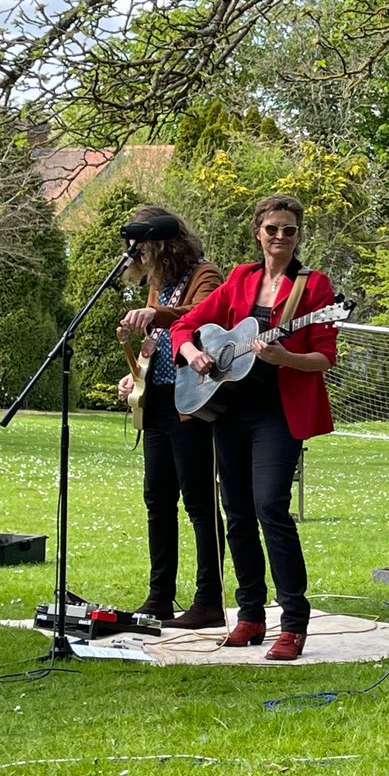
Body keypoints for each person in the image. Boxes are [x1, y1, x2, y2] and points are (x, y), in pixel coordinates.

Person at [171, 195, 338, 661]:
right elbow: (185, 326)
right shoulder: (240, 278)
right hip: (229, 411)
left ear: (298, 236)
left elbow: (325, 355)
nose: (280, 238)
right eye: (272, 230)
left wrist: (285, 357)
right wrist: (193, 354)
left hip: (280, 414)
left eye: (289, 230)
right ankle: (249, 615)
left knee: (271, 507)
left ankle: (294, 621)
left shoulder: (314, 288)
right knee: (238, 512)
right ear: (257, 233)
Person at [118, 206, 225, 629]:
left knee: (199, 503)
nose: (138, 257)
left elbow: (206, 319)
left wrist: (157, 315)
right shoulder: (158, 282)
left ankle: (209, 601)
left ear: (162, 244)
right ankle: (159, 596)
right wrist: (134, 374)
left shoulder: (205, 275)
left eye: (142, 248)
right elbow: (157, 341)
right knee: (158, 502)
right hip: (158, 402)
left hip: (192, 404)